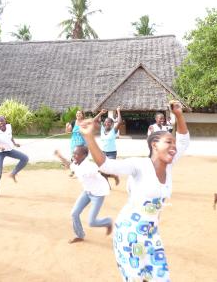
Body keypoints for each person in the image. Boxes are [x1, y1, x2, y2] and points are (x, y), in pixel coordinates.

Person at [79, 101, 189, 281]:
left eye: (174, 143)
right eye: (168, 141)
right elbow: (106, 165)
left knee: (161, 277)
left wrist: (179, 115)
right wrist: (89, 137)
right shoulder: (139, 165)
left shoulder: (169, 165)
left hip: (152, 234)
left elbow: (185, 141)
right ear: (154, 145)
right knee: (137, 278)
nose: (174, 146)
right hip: (130, 232)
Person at [54, 146, 112, 244]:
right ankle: (79, 235)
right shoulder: (77, 164)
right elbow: (69, 165)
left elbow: (102, 171)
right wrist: (60, 156)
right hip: (87, 192)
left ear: (84, 156)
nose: (74, 155)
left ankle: (108, 222)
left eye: (76, 154)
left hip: (98, 194)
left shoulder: (90, 166)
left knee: (91, 222)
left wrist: (113, 175)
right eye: (74, 153)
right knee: (74, 213)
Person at [0, 116, 29, 197]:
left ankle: (13, 173)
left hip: (9, 150)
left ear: (5, 121)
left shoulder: (9, 127)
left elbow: (11, 136)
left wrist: (15, 143)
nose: (1, 123)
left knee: (25, 158)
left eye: (2, 121)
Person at [94, 107, 123, 186]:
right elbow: (94, 121)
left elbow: (120, 122)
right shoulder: (101, 129)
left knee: (108, 169)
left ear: (112, 124)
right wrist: (101, 113)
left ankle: (114, 176)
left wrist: (118, 111)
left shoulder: (114, 130)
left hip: (111, 153)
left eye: (109, 122)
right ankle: (106, 185)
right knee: (102, 170)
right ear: (104, 123)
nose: (107, 123)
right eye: (106, 122)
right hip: (102, 152)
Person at [65, 110, 86, 176]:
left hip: (82, 143)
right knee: (73, 157)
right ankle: (73, 171)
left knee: (81, 158)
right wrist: (67, 126)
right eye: (77, 113)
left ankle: (82, 171)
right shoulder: (73, 122)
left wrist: (82, 132)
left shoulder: (84, 123)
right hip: (74, 142)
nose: (78, 114)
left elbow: (88, 132)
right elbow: (67, 132)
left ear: (82, 115)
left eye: (79, 113)